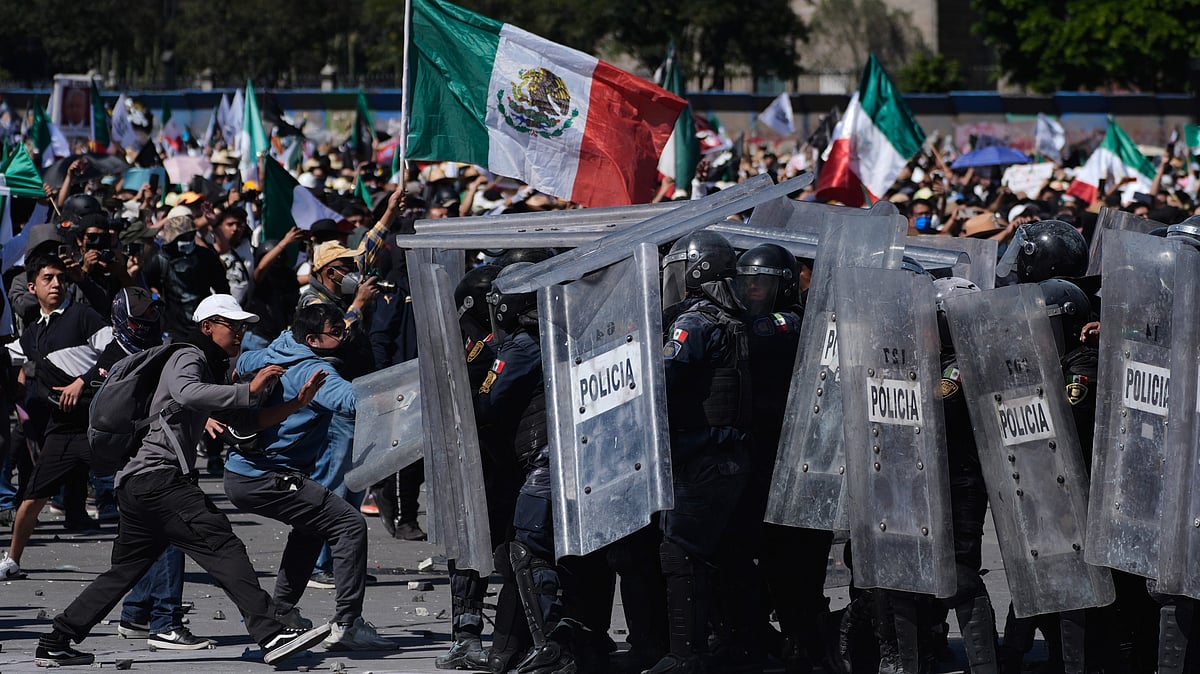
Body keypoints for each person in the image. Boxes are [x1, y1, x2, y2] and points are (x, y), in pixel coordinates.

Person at [33, 294, 332, 667]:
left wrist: (295, 405)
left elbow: (243, 425)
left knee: (125, 571)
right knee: (223, 545)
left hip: (138, 483)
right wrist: (250, 389)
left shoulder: (212, 368)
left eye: (243, 326)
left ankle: (57, 639)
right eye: (232, 325)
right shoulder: (187, 355)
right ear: (207, 327)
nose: (240, 332)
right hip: (160, 478)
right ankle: (270, 632)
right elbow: (186, 393)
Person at [225, 303, 396, 652]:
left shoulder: (278, 349)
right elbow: (351, 402)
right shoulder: (315, 371)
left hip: (241, 471)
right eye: (337, 332)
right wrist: (400, 394)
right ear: (313, 340)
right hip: (267, 476)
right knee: (349, 524)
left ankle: (282, 611)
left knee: (312, 527)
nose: (345, 337)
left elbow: (240, 364)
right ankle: (348, 624)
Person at [646, 231, 753, 674]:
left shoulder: (694, 323)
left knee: (681, 552)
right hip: (728, 455)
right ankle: (731, 645)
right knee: (720, 553)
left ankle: (686, 656)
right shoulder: (737, 318)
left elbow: (664, 377)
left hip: (702, 454)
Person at [1, 254, 114, 582]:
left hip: (98, 424)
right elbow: (9, 355)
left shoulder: (82, 316)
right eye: (48, 278)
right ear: (32, 287)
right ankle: (12, 560)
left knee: (136, 489)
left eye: (61, 278)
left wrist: (83, 381)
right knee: (32, 497)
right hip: (62, 431)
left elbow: (115, 352)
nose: (56, 284)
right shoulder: (33, 333)